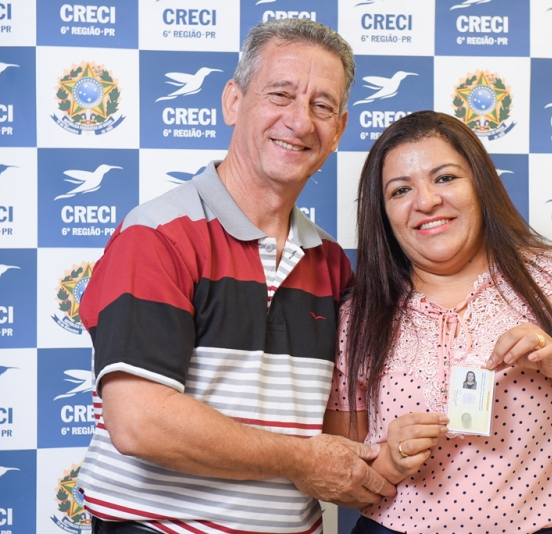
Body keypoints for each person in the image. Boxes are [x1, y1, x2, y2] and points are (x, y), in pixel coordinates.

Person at [77, 19, 396, 534]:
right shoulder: (158, 234)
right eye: (280, 94)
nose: (300, 121)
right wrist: (300, 460)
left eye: (322, 106)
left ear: (338, 130)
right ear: (233, 101)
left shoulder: (333, 264)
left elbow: (343, 423)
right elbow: (139, 422)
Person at [323, 111, 552, 534]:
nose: (426, 201)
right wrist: (387, 463)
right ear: (383, 212)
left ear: (481, 185)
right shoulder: (359, 316)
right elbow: (339, 479)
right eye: (400, 190)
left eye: (445, 178)